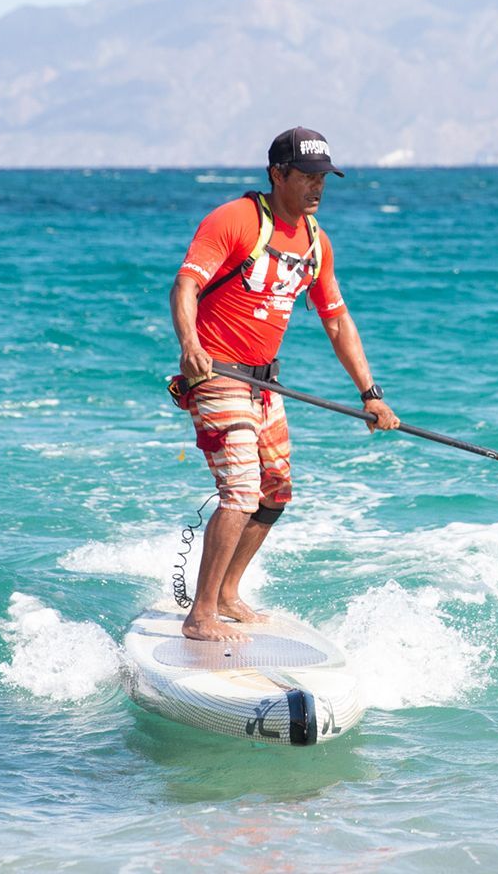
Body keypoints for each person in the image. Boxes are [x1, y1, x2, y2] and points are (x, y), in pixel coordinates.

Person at [169, 126, 399, 642]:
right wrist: (190, 345)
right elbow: (186, 283)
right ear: (278, 174)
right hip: (216, 374)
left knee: (276, 491)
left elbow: (337, 321)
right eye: (308, 176)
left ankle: (227, 594)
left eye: (324, 178)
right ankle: (200, 615)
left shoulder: (317, 242)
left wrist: (371, 394)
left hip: (265, 386)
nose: (318, 187)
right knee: (242, 491)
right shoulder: (236, 220)